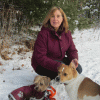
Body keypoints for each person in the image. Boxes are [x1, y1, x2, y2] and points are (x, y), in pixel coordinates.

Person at [31, 6, 82, 80]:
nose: (55, 19)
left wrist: (74, 59)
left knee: (78, 69)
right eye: (52, 16)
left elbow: (72, 50)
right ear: (49, 18)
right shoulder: (43, 34)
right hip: (42, 64)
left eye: (58, 16)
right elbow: (40, 57)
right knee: (63, 73)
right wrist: (58, 66)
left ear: (62, 18)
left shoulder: (67, 33)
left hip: (59, 60)